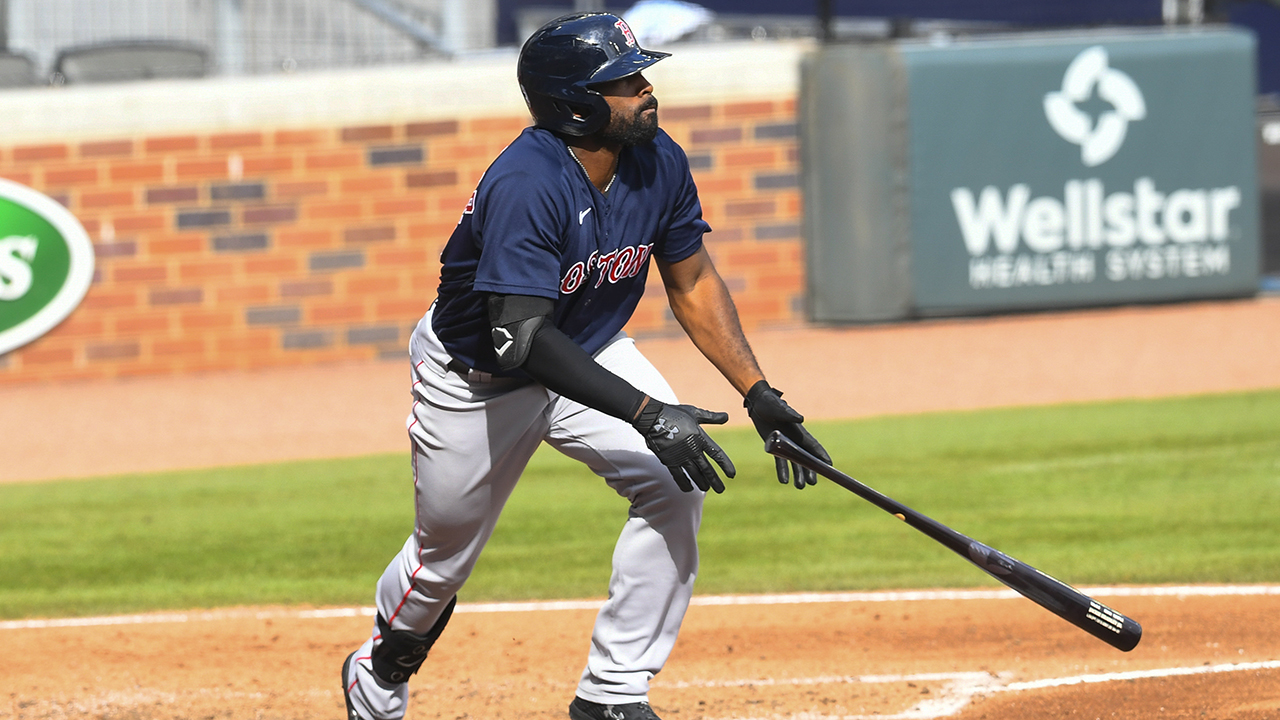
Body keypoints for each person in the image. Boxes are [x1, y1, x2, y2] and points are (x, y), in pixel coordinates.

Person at [341, 12, 830, 720]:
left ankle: (612, 695)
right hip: (478, 379)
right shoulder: (526, 184)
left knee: (673, 483)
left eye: (641, 74)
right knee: (442, 558)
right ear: (574, 106)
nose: (645, 89)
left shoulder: (658, 159)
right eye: (624, 81)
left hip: (589, 347)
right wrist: (647, 411)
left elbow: (692, 283)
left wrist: (758, 393)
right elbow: (521, 340)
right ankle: (381, 668)